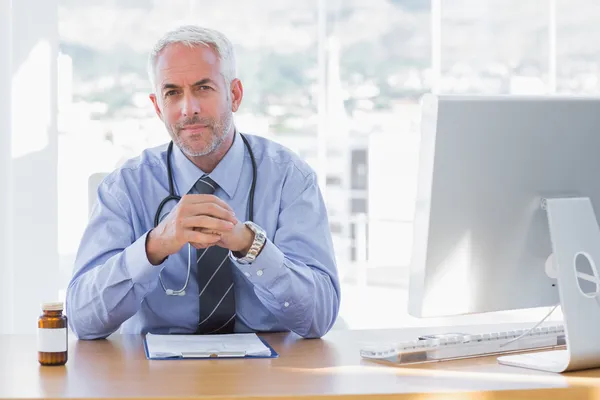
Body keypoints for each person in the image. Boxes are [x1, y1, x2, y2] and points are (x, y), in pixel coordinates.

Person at [65, 25, 340, 339]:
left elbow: (319, 317)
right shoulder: (125, 187)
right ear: (158, 107)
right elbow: (82, 320)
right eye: (172, 93)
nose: (188, 109)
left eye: (203, 88)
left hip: (267, 376)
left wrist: (251, 246)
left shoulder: (289, 178)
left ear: (234, 95)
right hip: (153, 379)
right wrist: (154, 246)